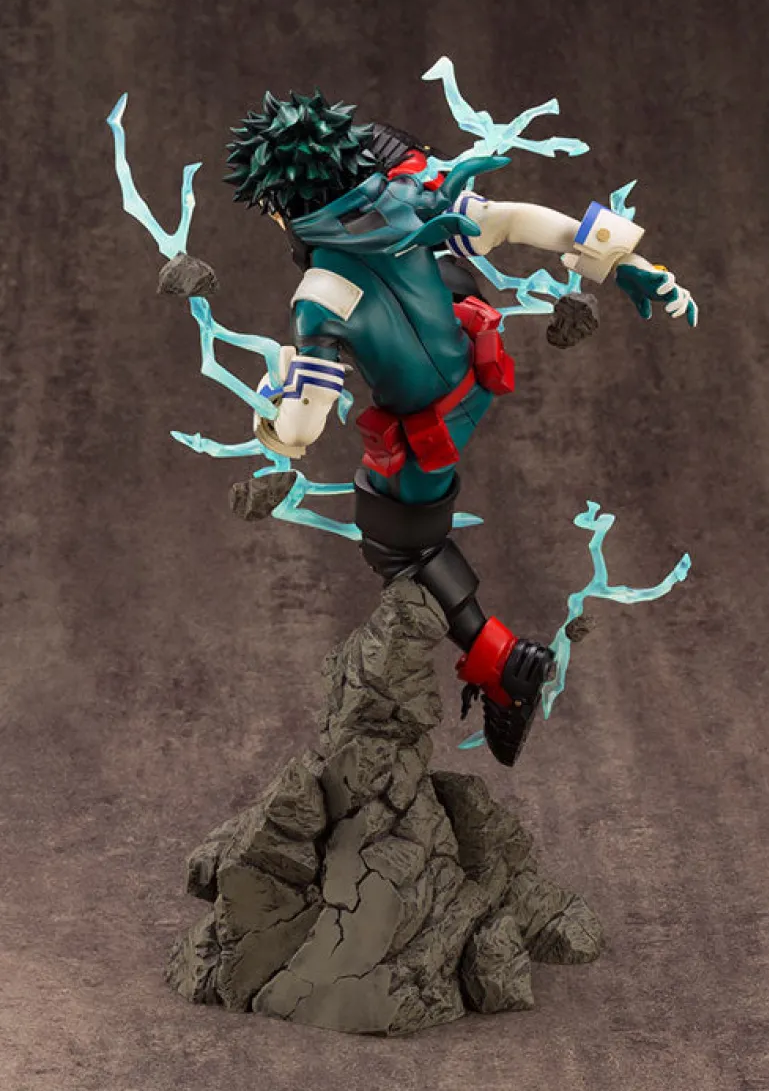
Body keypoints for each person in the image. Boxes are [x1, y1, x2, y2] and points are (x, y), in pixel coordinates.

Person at [224, 91, 697, 767]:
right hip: (474, 372)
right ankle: (497, 661)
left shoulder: (320, 297)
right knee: (407, 528)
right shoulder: (412, 200)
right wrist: (627, 263)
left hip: (426, 428)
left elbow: (301, 430)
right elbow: (515, 219)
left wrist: (269, 405)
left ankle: (504, 666)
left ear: (278, 209)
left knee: (401, 550)